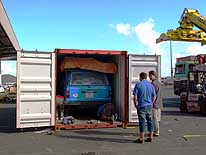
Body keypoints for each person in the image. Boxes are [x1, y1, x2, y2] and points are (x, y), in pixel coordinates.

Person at [133, 72, 156, 143]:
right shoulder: (151, 85)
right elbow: (154, 95)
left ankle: (141, 138)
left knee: (142, 122)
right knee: (150, 121)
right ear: (146, 77)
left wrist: (135, 104)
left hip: (141, 105)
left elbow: (135, 96)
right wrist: (151, 103)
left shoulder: (138, 85)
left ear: (140, 77)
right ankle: (150, 137)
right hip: (149, 105)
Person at [149, 70, 163, 137]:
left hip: (154, 103)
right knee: (155, 117)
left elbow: (152, 95)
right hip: (158, 102)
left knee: (154, 118)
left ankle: (156, 131)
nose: (149, 77)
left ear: (154, 75)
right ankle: (155, 131)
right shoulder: (159, 83)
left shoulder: (153, 84)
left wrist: (151, 102)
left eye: (150, 75)